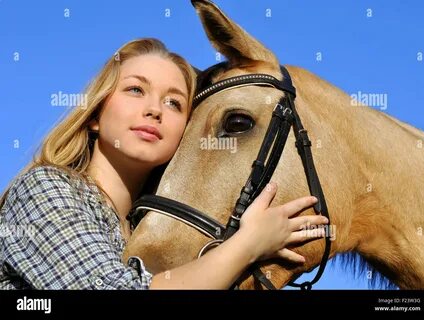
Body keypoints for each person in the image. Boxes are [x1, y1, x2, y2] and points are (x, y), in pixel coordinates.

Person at [0, 38, 328, 289]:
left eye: (173, 102)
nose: (155, 109)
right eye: (135, 90)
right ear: (95, 116)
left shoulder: (144, 226)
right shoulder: (44, 189)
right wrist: (248, 245)